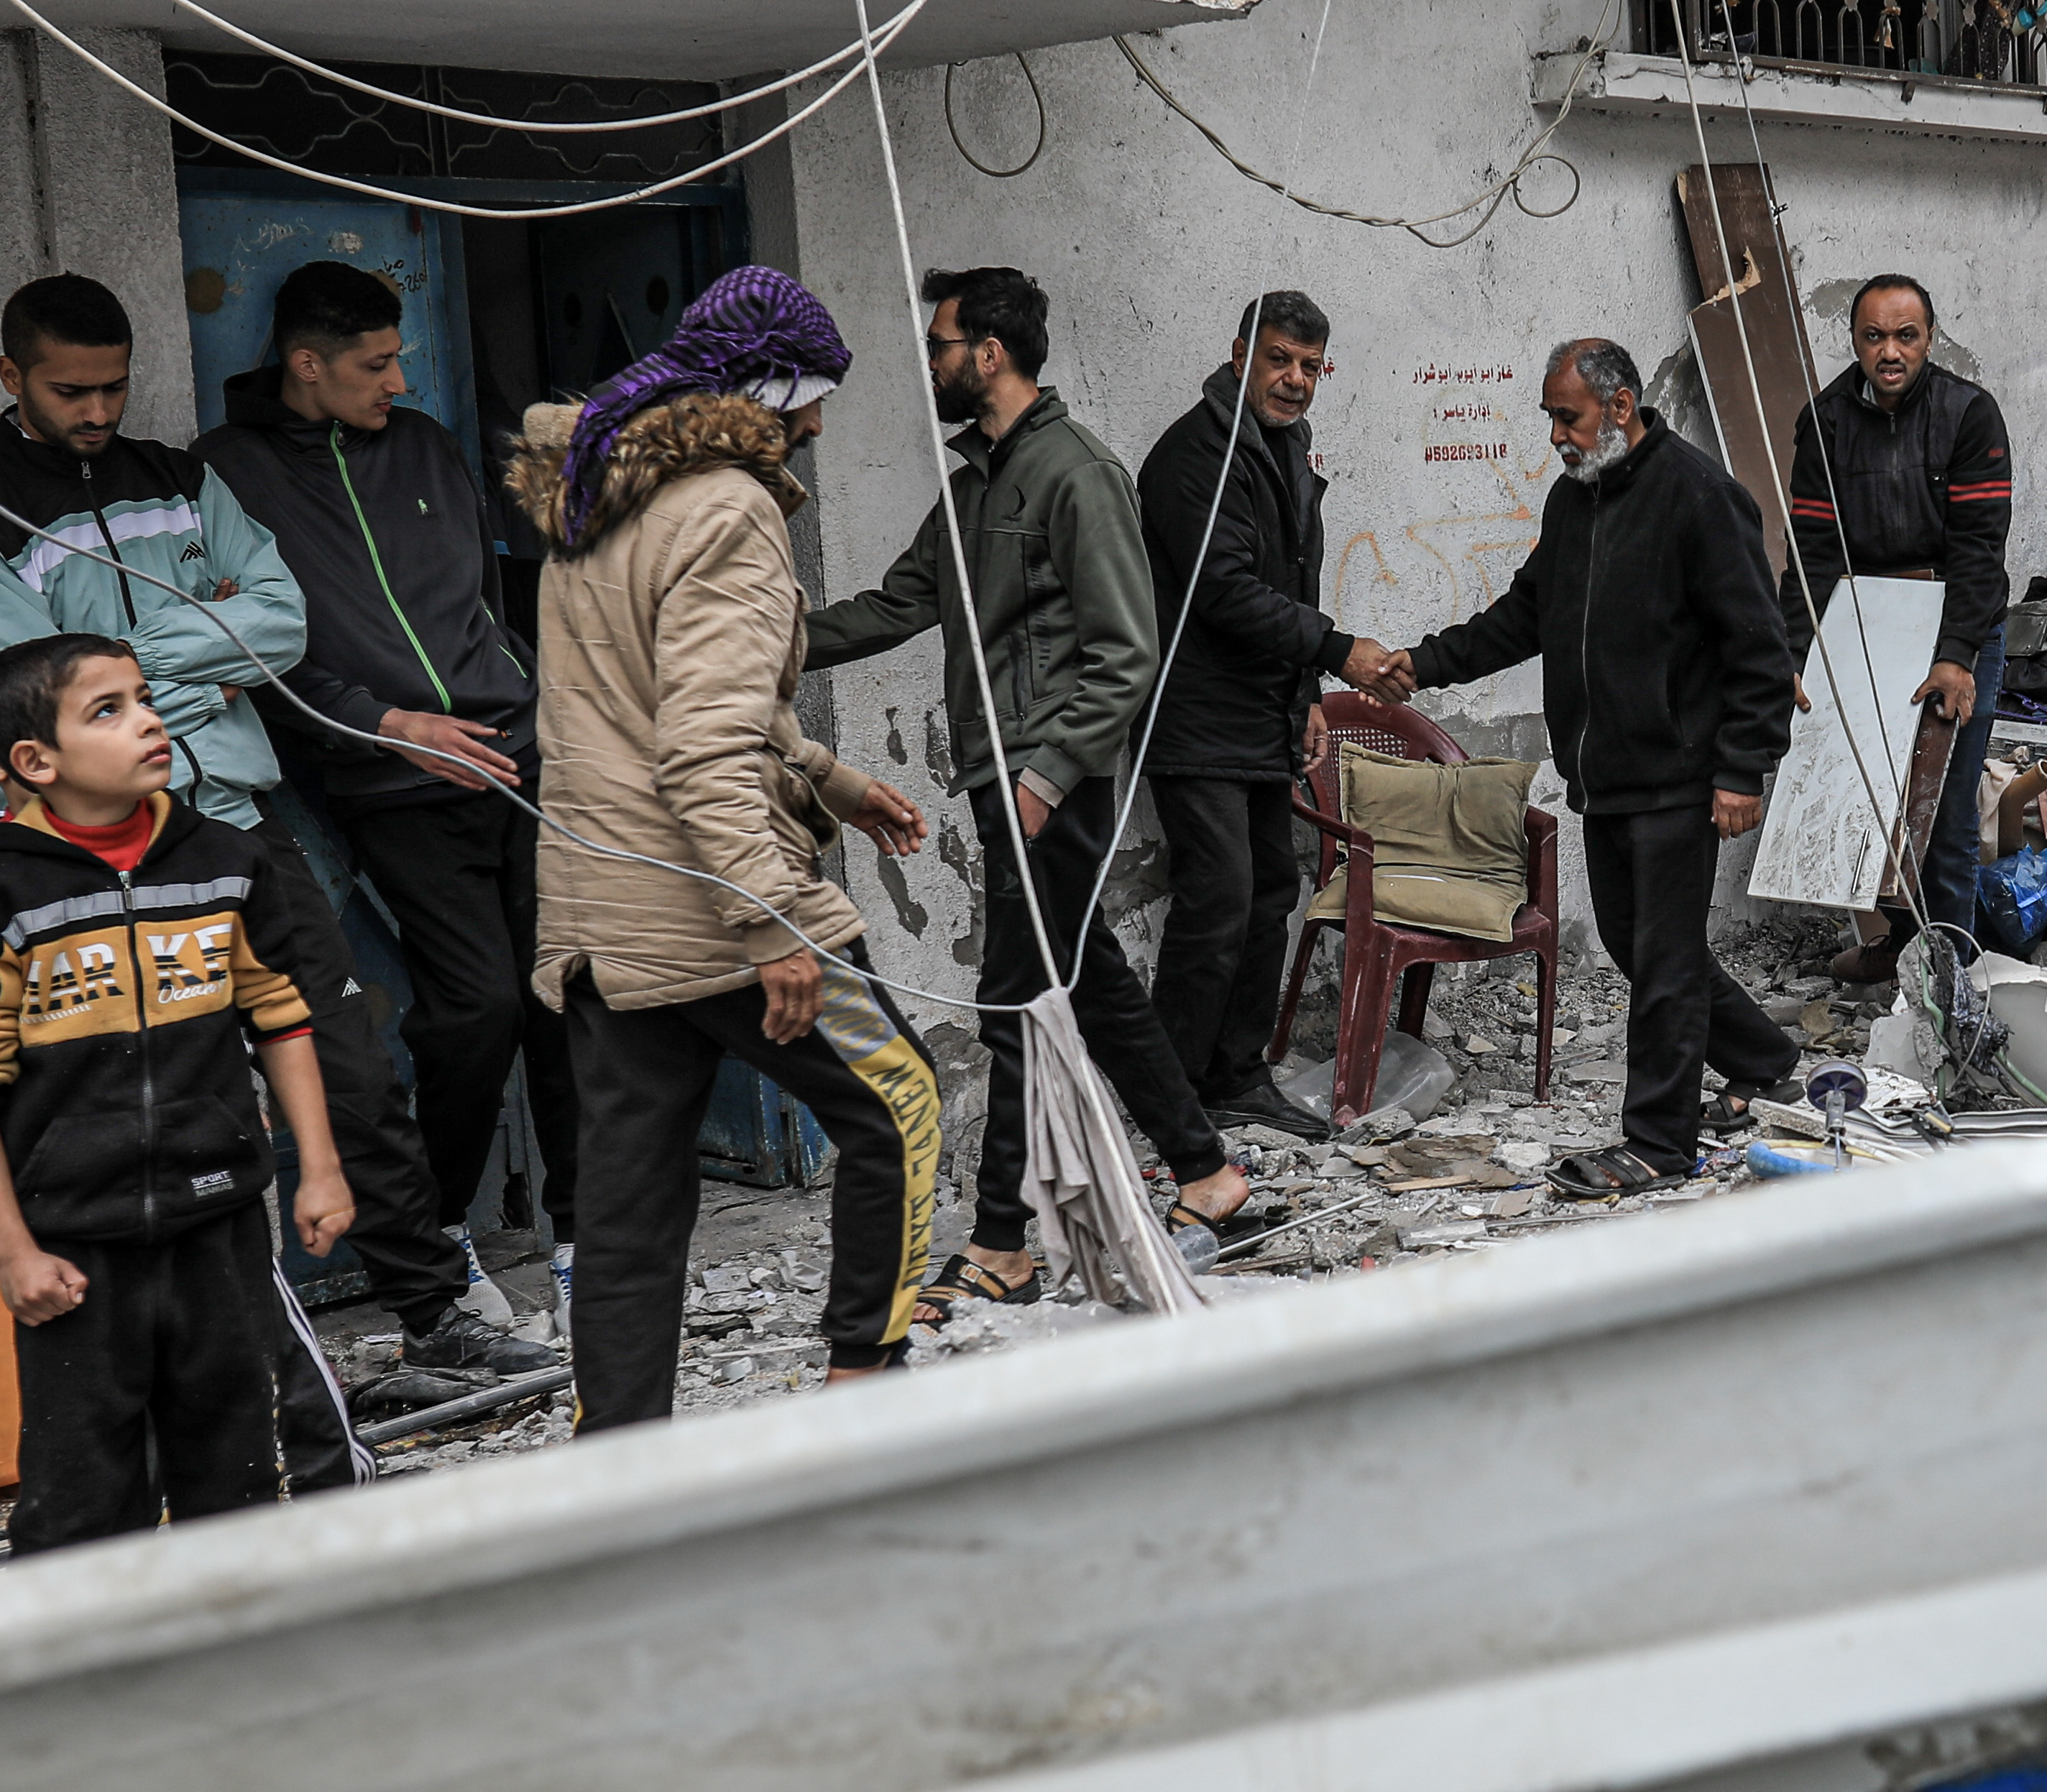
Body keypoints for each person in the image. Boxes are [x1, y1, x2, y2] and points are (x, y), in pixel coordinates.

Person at [0, 273, 478, 1464]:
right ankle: (227, 1374)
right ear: (11, 377)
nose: (97, 410)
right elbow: (24, 680)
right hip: (79, 849)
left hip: (231, 813)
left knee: (342, 1057)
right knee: (156, 1101)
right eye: (71, 390)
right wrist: (196, 657)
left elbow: (280, 623)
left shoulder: (177, 475)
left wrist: (123, 677)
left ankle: (439, 1311)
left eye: (115, 386)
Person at [511, 268, 942, 1427]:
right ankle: (861, 1392)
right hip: (708, 904)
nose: (817, 425)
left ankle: (622, 1461)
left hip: (602, 913)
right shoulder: (727, 510)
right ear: (773, 389)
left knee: (628, 1211)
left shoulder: (595, 499)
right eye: (814, 400)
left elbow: (653, 708)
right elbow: (702, 748)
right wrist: (772, 919)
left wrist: (833, 781)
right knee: (897, 1103)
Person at [811, 267, 1256, 1307]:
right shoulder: (976, 478)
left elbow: (1126, 652)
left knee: (1013, 997)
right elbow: (895, 604)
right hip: (1000, 779)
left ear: (991, 355)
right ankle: (1207, 1170)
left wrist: (1049, 778)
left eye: (940, 345)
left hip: (1052, 782)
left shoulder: (1076, 472)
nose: (930, 362)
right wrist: (765, 638)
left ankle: (1006, 1241)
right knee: (1081, 982)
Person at [0, 635, 357, 1553]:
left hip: (219, 1227)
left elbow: (283, 1020)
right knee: (84, 1496)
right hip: (74, 1249)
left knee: (238, 1473)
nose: (149, 721)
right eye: (108, 710)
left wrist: (321, 1172)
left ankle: (236, 1663)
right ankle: (90, 1675)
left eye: (144, 699)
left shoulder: (224, 864)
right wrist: (12, 1250)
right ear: (34, 762)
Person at [198, 259, 576, 1375]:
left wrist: (542, 700)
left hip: (518, 756)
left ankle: (583, 1242)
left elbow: (491, 591)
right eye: (375, 362)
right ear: (305, 363)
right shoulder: (229, 474)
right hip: (393, 778)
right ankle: (446, 1227)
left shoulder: (422, 447)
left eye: (400, 355)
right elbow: (258, 652)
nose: (399, 381)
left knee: (566, 993)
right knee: (476, 1011)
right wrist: (389, 725)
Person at [1389, 341, 1801, 1195]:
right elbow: (1523, 617)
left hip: (1681, 775)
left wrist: (1743, 769)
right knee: (1640, 945)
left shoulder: (1698, 496)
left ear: (1619, 407)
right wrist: (1420, 665)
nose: (1555, 436)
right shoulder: (1573, 501)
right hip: (1606, 775)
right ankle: (1764, 1061)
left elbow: (1759, 646)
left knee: (1665, 961)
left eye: (1565, 416)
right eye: (1549, 417)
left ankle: (1658, 1142)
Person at [1134, 289, 1397, 1141]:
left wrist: (1305, 699)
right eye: (1279, 359)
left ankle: (1236, 1075)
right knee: (1218, 897)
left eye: (1310, 367)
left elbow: (1288, 581)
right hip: (1194, 713)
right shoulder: (1193, 456)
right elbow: (1225, 592)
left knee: (1267, 894)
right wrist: (1336, 650)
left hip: (1261, 714)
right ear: (1241, 352)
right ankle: (1169, 1097)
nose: (1294, 380)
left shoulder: (1286, 446)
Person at [1788, 276, 2016, 981]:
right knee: (1868, 802)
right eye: (1874, 336)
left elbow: (1979, 550)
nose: (1890, 352)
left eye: (1905, 336)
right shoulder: (1823, 421)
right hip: (1869, 626)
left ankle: (1955, 984)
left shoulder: (1969, 414)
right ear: (1854, 340)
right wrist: (1792, 655)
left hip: (1958, 622)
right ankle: (1899, 945)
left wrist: (1955, 658)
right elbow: (1813, 554)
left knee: (1944, 816)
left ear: (1929, 338)